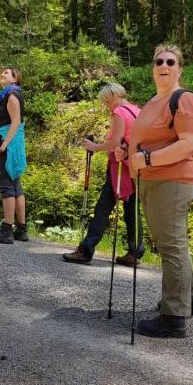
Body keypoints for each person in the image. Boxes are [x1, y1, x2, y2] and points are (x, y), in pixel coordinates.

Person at [123, 44, 193, 339]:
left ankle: (173, 317)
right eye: (159, 60)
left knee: (171, 247)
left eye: (171, 61)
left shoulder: (184, 99)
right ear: (153, 67)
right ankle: (190, 300)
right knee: (174, 243)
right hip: (151, 180)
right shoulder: (153, 102)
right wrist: (126, 152)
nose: (164, 65)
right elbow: (144, 140)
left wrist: (146, 159)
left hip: (173, 180)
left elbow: (190, 142)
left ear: (180, 68)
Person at [63, 82, 145, 266]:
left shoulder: (119, 112)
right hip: (135, 166)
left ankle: (86, 250)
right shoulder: (136, 110)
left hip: (120, 167)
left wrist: (95, 147)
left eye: (106, 102)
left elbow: (115, 142)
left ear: (111, 97)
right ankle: (135, 251)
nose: (107, 106)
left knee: (103, 207)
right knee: (132, 210)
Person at [0, 66, 27, 244]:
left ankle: (7, 230)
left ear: (15, 79)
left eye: (7, 73)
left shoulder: (11, 96)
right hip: (12, 142)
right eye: (1, 73)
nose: (2, 74)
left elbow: (15, 123)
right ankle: (21, 229)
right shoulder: (9, 95)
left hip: (9, 143)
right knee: (15, 185)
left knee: (6, 185)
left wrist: (2, 147)